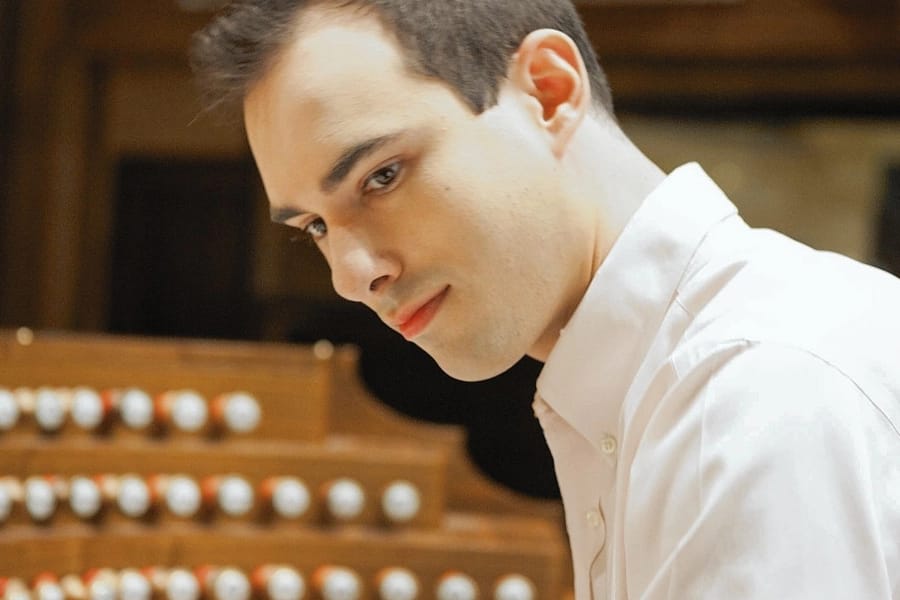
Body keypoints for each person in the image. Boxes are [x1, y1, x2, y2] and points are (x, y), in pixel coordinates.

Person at [191, 1, 900, 597]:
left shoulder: (752, 393)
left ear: (548, 93)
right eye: (315, 226)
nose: (349, 277)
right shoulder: (675, 378)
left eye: (382, 176)